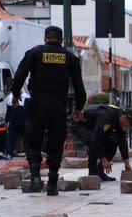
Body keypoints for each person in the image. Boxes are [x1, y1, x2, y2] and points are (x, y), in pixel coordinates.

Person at [11, 25, 86, 196]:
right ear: (61, 39)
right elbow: (79, 88)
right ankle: (52, 183)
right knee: (56, 145)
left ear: (45, 38)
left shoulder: (35, 53)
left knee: (31, 141)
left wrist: (15, 93)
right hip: (59, 108)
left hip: (37, 106)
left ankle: (36, 177)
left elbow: (20, 75)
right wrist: (79, 107)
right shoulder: (70, 57)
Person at [71, 105, 132, 181]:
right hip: (79, 125)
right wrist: (104, 160)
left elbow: (122, 143)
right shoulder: (106, 117)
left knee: (113, 142)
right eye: (129, 124)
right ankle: (92, 173)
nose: (128, 126)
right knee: (93, 141)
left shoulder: (120, 122)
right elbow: (95, 140)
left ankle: (100, 172)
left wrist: (127, 164)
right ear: (124, 118)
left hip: (94, 127)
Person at [3, 91, 29, 160]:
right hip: (13, 122)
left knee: (26, 138)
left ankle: (29, 153)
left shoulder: (26, 97)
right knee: (11, 138)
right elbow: (8, 111)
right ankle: (9, 153)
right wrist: (6, 122)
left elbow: (30, 111)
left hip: (23, 122)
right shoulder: (10, 97)